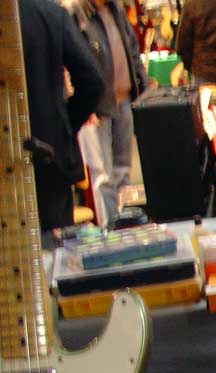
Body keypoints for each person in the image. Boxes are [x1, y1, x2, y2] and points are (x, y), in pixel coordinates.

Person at [19, 0, 104, 233]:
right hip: (49, 157)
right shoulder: (50, 15)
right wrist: (64, 125)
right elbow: (93, 81)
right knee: (55, 248)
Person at [66, 0, 149, 228]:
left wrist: (142, 88)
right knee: (103, 175)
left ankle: (125, 226)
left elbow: (132, 50)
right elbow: (71, 62)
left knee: (123, 170)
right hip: (96, 107)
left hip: (123, 99)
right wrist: (84, 105)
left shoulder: (115, 9)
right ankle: (110, 229)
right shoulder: (77, 12)